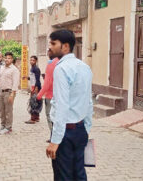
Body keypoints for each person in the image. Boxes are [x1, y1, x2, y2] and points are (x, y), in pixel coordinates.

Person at [45, 30, 93, 181]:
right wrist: (86, 128)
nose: (50, 47)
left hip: (65, 133)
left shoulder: (61, 69)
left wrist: (55, 141)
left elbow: (62, 106)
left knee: (63, 176)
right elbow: (89, 101)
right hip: (80, 130)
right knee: (79, 174)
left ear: (65, 46)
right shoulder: (84, 67)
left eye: (53, 43)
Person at [0, 52, 20, 135]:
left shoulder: (14, 70)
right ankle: (3, 125)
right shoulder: (2, 68)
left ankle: (8, 127)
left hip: (9, 92)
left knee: (8, 110)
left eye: (9, 58)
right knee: (2, 110)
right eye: (6, 58)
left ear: (12, 59)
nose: (7, 59)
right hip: (1, 91)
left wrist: (13, 94)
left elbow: (16, 83)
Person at [37, 51, 59, 142]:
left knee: (50, 116)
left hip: (50, 95)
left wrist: (39, 95)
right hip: (61, 95)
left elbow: (47, 83)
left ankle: (54, 137)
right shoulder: (61, 63)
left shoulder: (51, 64)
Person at [25, 56, 42, 124]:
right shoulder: (32, 68)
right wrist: (27, 78)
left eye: (33, 60)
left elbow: (37, 80)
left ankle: (33, 119)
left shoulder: (36, 69)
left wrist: (36, 88)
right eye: (31, 60)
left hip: (36, 87)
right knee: (36, 102)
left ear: (36, 61)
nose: (31, 61)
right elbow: (33, 78)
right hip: (33, 86)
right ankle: (37, 117)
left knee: (33, 103)